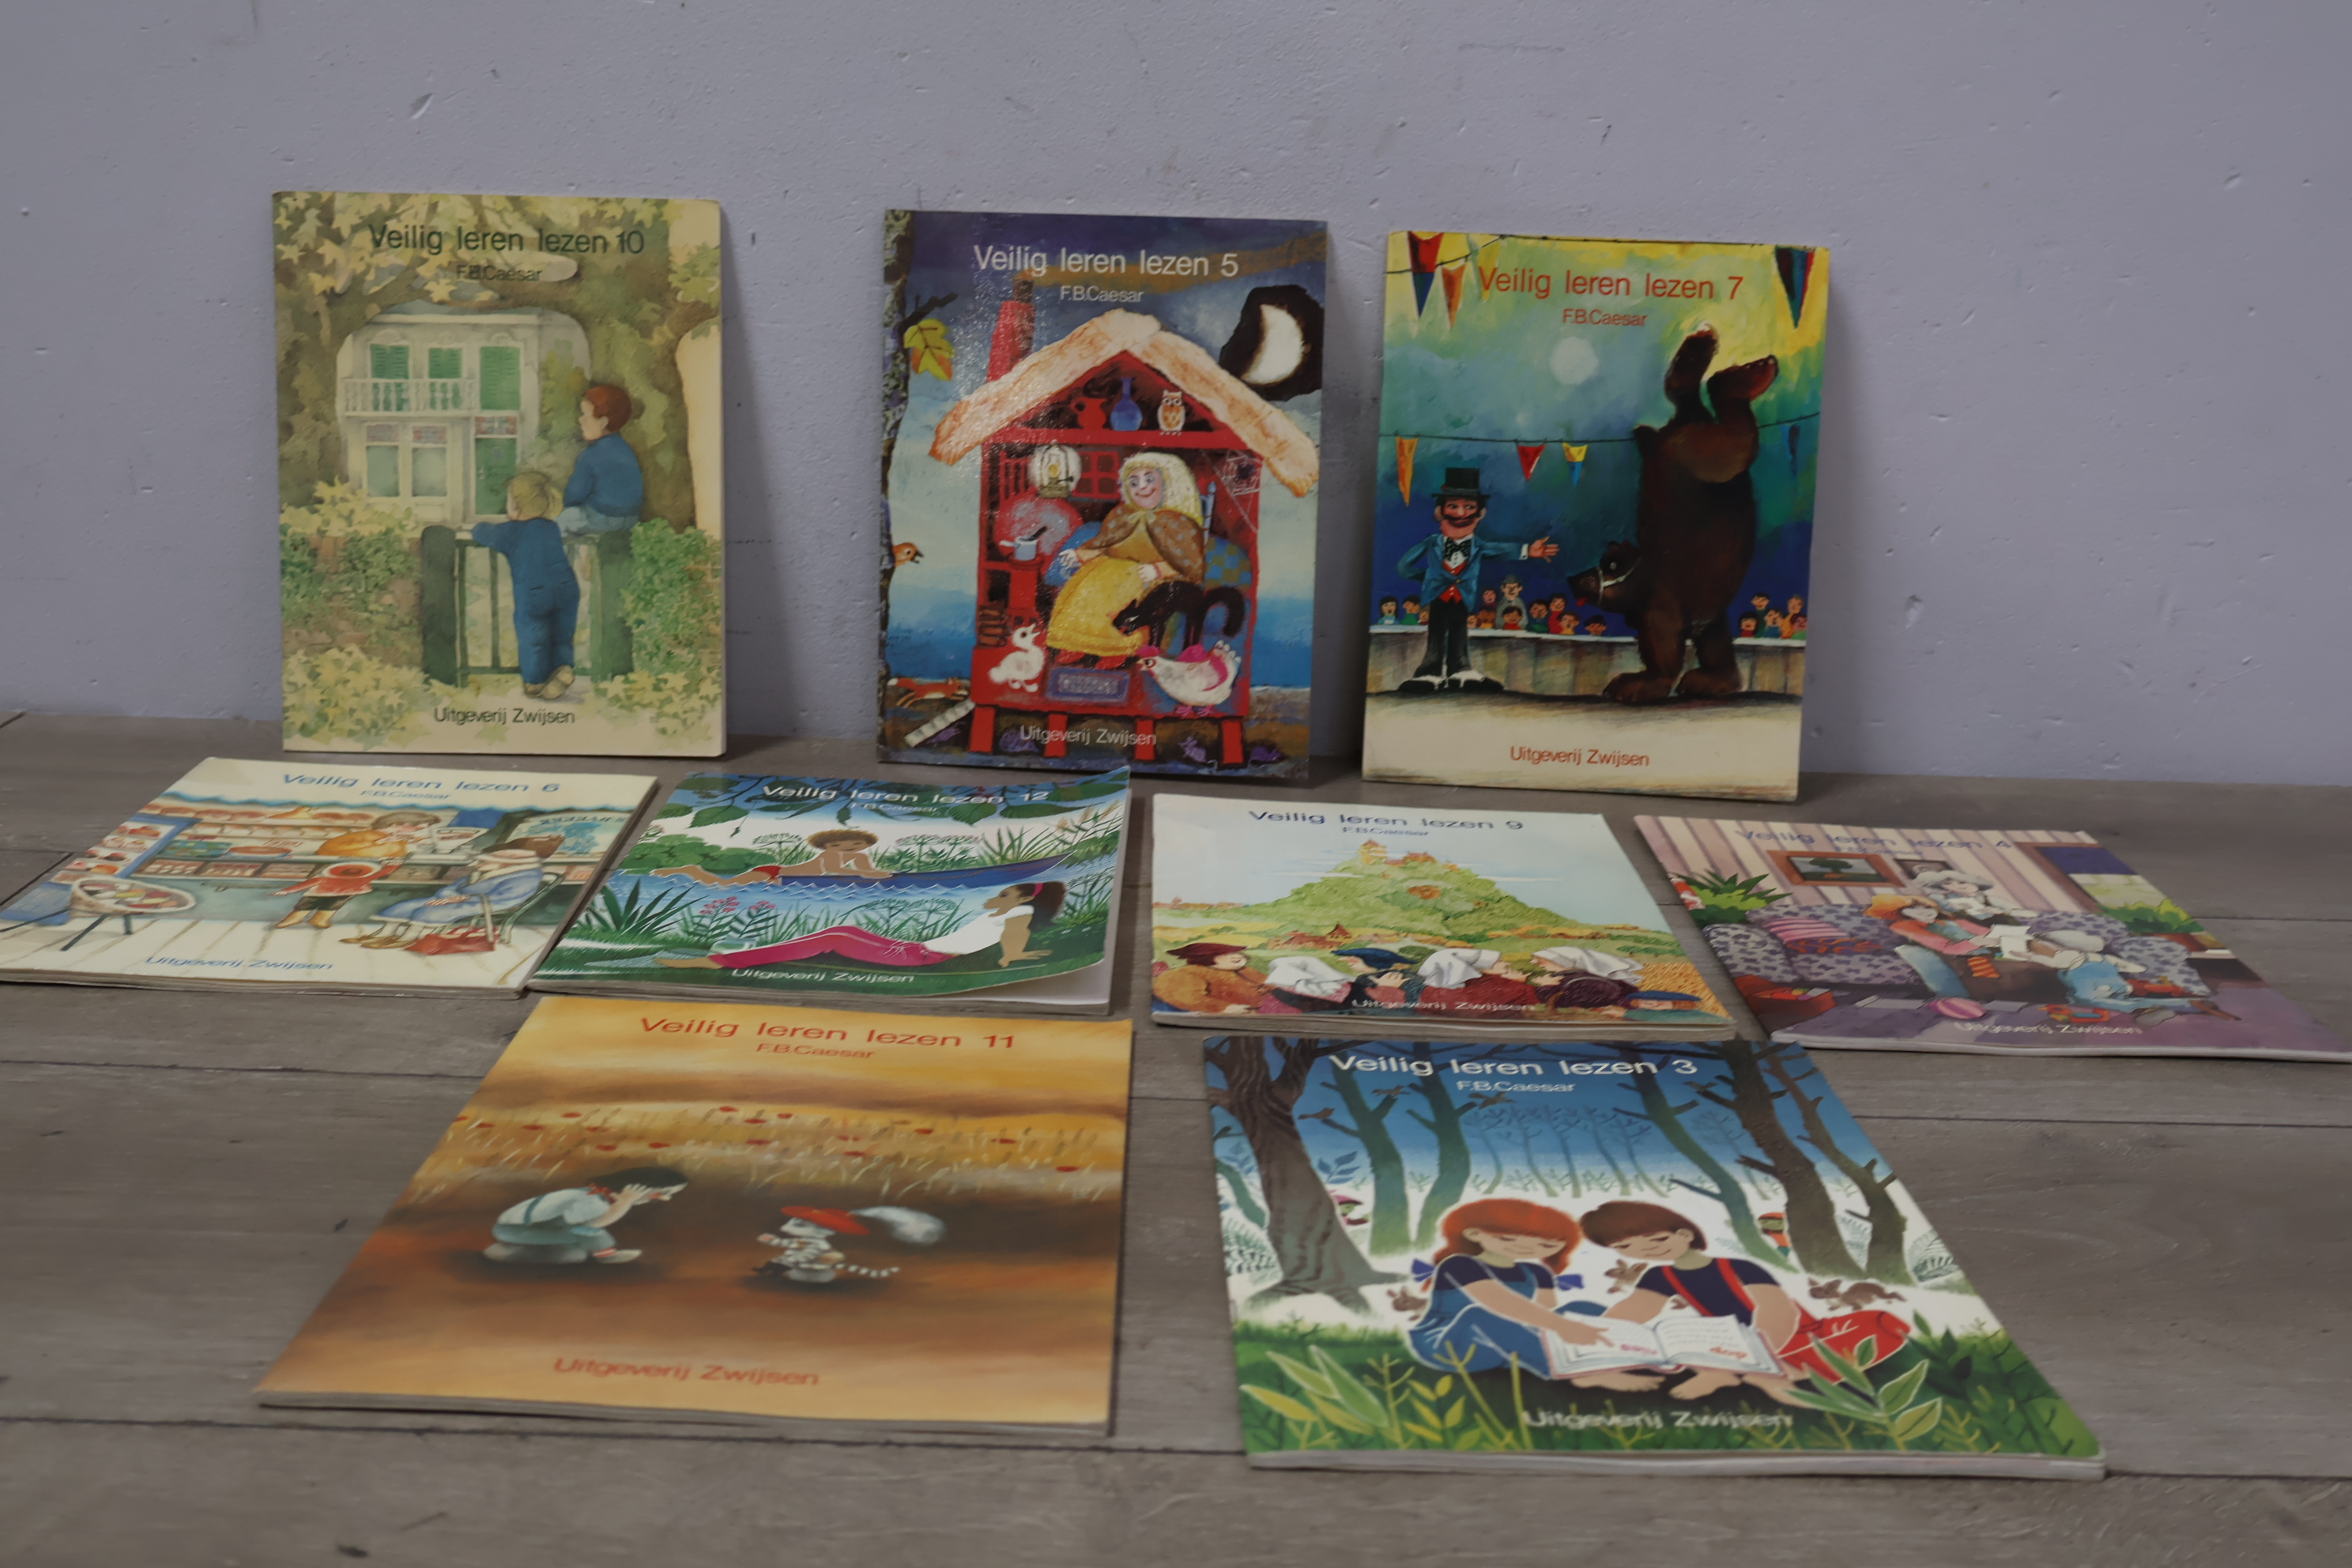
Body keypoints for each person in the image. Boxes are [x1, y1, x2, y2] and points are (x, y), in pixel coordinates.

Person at [1582, 1200, 1905, 1403]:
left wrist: (1760, 1351)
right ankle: (1731, 1373)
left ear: (1685, 1235)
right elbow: (1635, 1310)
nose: (1647, 1250)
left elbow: (1778, 1309)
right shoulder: (1659, 1276)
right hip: (1727, 1340)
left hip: (1790, 1334)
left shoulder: (1738, 1267)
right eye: (1626, 1247)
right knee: (1677, 1337)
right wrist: (1598, 1339)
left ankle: (1765, 1375)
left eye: (1656, 1239)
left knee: (1880, 1325)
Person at [1403, 1199, 1657, 1389]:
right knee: (1480, 1314)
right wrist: (1564, 1326)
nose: (1526, 1247)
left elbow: (1546, 1314)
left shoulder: (1537, 1272)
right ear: (1474, 1234)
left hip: (1505, 1346)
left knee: (1583, 1307)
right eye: (1508, 1239)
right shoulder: (1460, 1265)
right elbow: (1500, 1303)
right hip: (1450, 1346)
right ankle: (1579, 1374)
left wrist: (1566, 1325)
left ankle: (1640, 1352)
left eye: (1545, 1244)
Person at [1393, 468, 1559, 694]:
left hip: (1463, 597)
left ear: (1480, 513)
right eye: (1453, 506)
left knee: (1459, 630)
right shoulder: (1432, 542)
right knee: (1437, 631)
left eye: (1470, 507)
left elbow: (1501, 549)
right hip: (1438, 596)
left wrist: (1528, 550)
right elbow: (1403, 567)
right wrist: (1429, 578)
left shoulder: (1478, 546)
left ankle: (1460, 670)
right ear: (1440, 511)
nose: (1461, 513)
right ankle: (1429, 671)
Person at [660, 881, 1063, 972]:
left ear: (1021, 900)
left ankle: (720, 961)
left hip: (921, 956)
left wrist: (1012, 957)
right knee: (843, 930)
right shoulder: (1005, 913)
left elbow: (1015, 937)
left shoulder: (1016, 916)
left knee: (836, 938)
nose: (998, 896)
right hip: (914, 947)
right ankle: (743, 952)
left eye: (1005, 893)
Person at [1045, 453, 1207, 666]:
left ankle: (1116, 649)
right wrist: (1080, 556)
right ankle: (1077, 644)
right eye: (1134, 482)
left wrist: (1158, 570)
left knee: (1111, 604)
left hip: (1142, 575)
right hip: (1105, 569)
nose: (1142, 487)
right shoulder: (1123, 514)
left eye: (1149, 479)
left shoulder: (1178, 522)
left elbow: (1187, 562)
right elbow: (1107, 544)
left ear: (1166, 482)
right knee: (1079, 594)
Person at [341, 836, 564, 953]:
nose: (477, 865)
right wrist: (448, 895)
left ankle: (407, 938)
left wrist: (463, 899)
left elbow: (507, 899)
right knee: (408, 905)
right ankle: (383, 934)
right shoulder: (481, 872)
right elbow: (456, 885)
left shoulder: (525, 876)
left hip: (486, 903)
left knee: (429, 911)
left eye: (483, 861)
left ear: (505, 863)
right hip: (460, 899)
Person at [472, 470, 583, 699]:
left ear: (517, 505)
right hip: (567, 587)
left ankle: (535, 681)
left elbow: (482, 531)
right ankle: (562, 668)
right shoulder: (551, 527)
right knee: (562, 634)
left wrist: (477, 528)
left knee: (534, 636)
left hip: (534, 592)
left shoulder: (511, 532)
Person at [269, 810, 438, 930]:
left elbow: (397, 858)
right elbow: (328, 849)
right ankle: (295, 918)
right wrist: (376, 843)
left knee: (342, 897)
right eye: (417, 828)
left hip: (363, 875)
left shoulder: (400, 842)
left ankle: (321, 918)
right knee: (314, 896)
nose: (420, 831)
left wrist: (384, 870)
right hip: (331, 871)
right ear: (397, 824)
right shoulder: (361, 836)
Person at [484, 1166, 688, 1265]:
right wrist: (625, 1202)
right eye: (662, 1192)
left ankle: (517, 1251)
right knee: (590, 1235)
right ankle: (607, 1257)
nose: (665, 1198)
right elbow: (589, 1228)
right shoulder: (594, 1201)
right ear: (637, 1187)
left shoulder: (597, 1196)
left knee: (575, 1253)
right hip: (515, 1231)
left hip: (533, 1230)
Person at [649, 828, 893, 887]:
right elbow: (834, 871)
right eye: (839, 845)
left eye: (856, 845)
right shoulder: (830, 854)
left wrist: (873, 874)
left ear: (866, 844)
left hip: (786, 878)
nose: (848, 848)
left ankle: (690, 870)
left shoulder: (860, 856)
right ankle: (691, 870)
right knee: (723, 885)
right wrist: (865, 874)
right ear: (827, 846)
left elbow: (868, 871)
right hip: (773, 872)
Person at [558, 384, 645, 535]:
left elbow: (574, 495)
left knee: (555, 523)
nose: (580, 420)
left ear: (603, 422)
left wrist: (567, 507)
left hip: (602, 517)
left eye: (585, 415)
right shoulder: (626, 450)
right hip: (631, 519)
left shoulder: (591, 454)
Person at [1415, 948, 1544, 1018]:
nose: (1506, 964)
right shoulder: (1496, 984)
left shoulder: (1430, 990)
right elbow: (1538, 996)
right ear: (1479, 967)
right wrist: (1520, 983)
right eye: (1499, 961)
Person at [1152, 940, 1270, 1013]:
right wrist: (1224, 1008)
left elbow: (1269, 984)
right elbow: (1187, 998)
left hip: (1263, 1010)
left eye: (1237, 952)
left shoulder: (1246, 971)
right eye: (1226, 954)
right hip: (1223, 1019)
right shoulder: (1185, 973)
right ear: (1207, 956)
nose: (1236, 956)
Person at [1528, 945, 1644, 1013]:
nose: (1534, 962)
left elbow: (1563, 1000)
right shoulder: (1569, 977)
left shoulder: (1583, 980)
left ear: (1560, 962)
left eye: (1540, 960)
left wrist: (1547, 986)